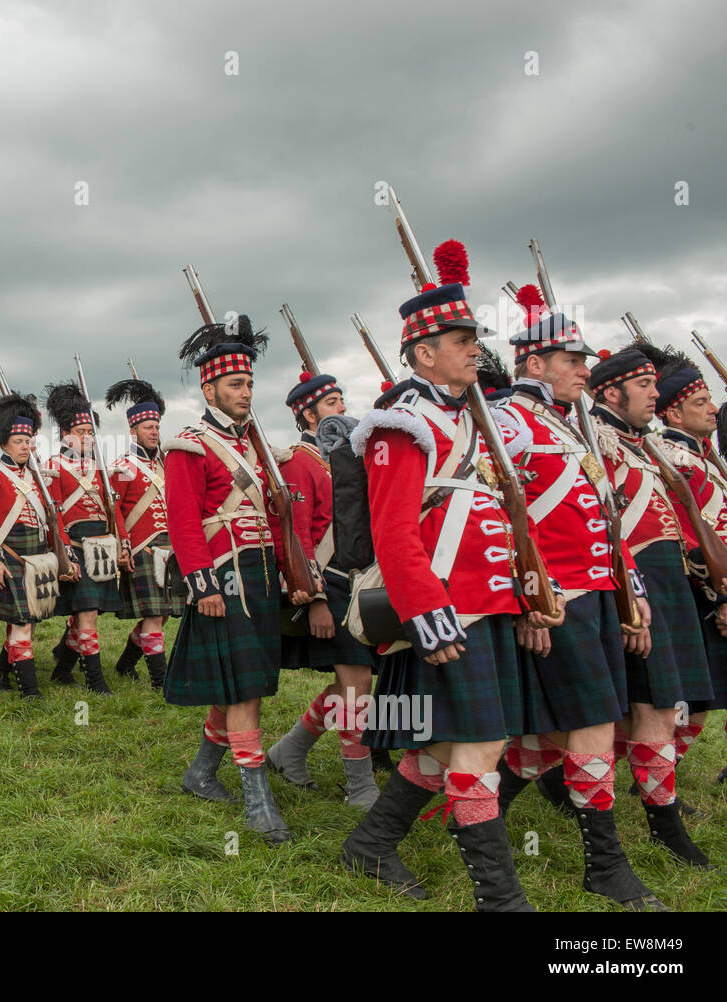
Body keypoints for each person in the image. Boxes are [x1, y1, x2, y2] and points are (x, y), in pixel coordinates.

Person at [340, 240, 561, 910]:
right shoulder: (401, 421)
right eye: (461, 339)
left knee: (447, 745)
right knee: (479, 750)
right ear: (421, 351)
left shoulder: (474, 419)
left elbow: (502, 518)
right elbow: (395, 531)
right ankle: (500, 898)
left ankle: (370, 845)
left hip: (486, 608)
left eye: (474, 338)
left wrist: (528, 597)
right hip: (444, 611)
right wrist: (424, 612)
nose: (475, 349)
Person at [488, 288, 663, 911]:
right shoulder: (507, 418)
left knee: (561, 735)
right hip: (556, 599)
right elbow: (499, 513)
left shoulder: (569, 422)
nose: (587, 369)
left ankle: (473, 813)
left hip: (594, 596)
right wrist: (527, 597)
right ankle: (605, 866)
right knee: (589, 726)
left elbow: (604, 519)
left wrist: (627, 596)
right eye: (573, 359)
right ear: (533, 363)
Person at [163, 315, 307, 846]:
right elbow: (182, 521)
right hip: (222, 576)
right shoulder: (189, 444)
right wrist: (202, 585)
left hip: (262, 574)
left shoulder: (257, 447)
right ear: (209, 387)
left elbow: (274, 518)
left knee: (242, 683)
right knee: (245, 688)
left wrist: (292, 573)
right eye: (235, 384)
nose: (245, 392)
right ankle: (257, 801)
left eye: (249, 383)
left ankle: (201, 774)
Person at [585, 346, 716, 869]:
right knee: (625, 713)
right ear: (612, 391)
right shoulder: (597, 438)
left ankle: (662, 817)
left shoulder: (641, 446)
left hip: (664, 581)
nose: (656, 395)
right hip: (633, 580)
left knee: (660, 707)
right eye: (645, 386)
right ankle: (664, 824)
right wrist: (628, 589)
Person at [269, 370, 381, 810]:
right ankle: (360, 784)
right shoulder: (299, 460)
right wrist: (313, 597)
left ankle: (289, 751)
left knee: (351, 681)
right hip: (327, 583)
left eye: (340, 399)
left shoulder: (346, 457)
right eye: (332, 402)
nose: (342, 408)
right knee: (355, 682)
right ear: (308, 414)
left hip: (356, 583)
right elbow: (295, 534)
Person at [652, 354, 727, 788]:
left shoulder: (698, 457)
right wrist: (725, 597)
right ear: (674, 412)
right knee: (690, 706)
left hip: (718, 590)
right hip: (700, 595)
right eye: (701, 401)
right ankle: (648, 782)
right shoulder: (674, 460)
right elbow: (690, 539)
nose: (713, 409)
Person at [0, 392, 78, 698]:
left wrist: (65, 555)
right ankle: (30, 693)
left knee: (29, 623)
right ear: (4, 442)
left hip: (38, 558)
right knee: (21, 624)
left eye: (30, 440)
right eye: (19, 441)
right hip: (10, 557)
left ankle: (3, 672)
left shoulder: (40, 477)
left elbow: (53, 518)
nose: (26, 447)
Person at [43, 381, 130, 693]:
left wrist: (123, 543)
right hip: (76, 545)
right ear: (65, 434)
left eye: (91, 432)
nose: (87, 438)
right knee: (87, 614)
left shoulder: (101, 468)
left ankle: (63, 666)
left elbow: (112, 509)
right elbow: (54, 513)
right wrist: (65, 553)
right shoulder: (53, 465)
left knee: (86, 614)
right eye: (81, 432)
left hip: (102, 546)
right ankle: (95, 681)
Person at [103, 377, 184, 690]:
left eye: (156, 426)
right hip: (143, 550)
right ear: (133, 430)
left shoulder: (168, 465)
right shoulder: (122, 466)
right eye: (148, 427)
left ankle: (125, 664)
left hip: (170, 549)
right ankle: (161, 683)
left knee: (162, 617)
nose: (154, 432)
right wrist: (124, 545)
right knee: (153, 618)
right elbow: (115, 511)